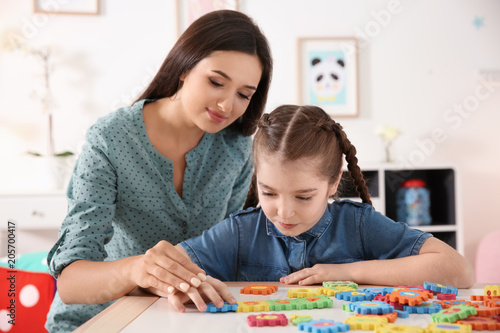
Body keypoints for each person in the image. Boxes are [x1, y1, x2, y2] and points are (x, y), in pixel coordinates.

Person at [45, 10, 272, 332]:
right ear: (184, 68)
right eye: (216, 82)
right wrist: (137, 270)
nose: (226, 105)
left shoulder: (236, 150)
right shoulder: (111, 139)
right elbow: (70, 282)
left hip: (184, 319)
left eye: (244, 95)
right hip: (98, 320)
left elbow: (225, 251)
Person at [167, 104, 475, 312]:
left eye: (303, 197)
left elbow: (458, 271)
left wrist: (348, 272)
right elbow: (164, 271)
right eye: (269, 192)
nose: (284, 213)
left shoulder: (358, 225)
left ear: (333, 182)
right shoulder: (240, 232)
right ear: (256, 177)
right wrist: (181, 284)